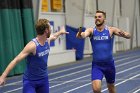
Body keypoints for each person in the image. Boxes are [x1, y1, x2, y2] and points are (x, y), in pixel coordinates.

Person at [0, 19, 69, 93]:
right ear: (46, 30)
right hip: (30, 82)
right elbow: (16, 60)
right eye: (50, 28)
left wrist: (60, 32)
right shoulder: (32, 46)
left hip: (43, 80)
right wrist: (3, 76)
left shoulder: (47, 40)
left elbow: (54, 36)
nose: (51, 30)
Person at [76, 10, 131, 93]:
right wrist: (80, 34)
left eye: (99, 17)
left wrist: (125, 34)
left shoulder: (111, 30)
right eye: (95, 17)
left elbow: (128, 35)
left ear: (104, 19)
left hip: (109, 65)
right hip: (97, 66)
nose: (97, 18)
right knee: (96, 89)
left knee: (111, 88)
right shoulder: (91, 30)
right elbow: (82, 35)